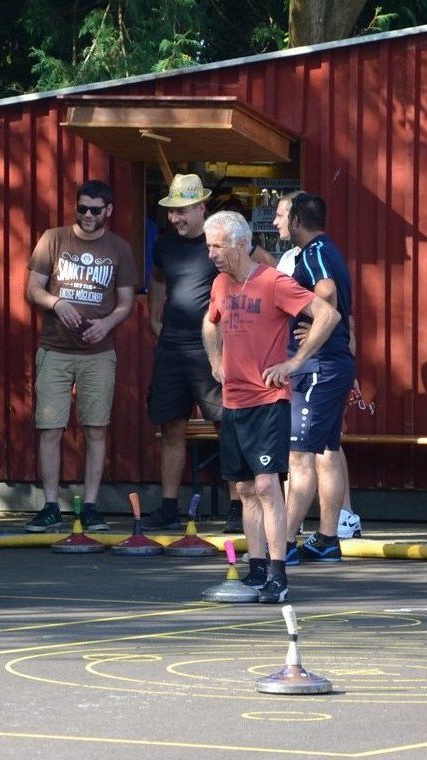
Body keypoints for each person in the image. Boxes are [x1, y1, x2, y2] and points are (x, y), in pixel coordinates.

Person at [202, 211, 340, 603]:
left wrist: (295, 363)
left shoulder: (274, 282)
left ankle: (278, 574)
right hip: (234, 402)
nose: (212, 253)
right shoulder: (220, 284)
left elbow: (327, 314)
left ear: (242, 244)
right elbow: (210, 322)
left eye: (218, 246)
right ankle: (257, 569)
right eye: (208, 246)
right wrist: (215, 360)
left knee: (266, 485)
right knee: (244, 487)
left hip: (268, 400)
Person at [24, 179, 138, 533]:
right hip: (55, 348)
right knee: (50, 428)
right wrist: (57, 303)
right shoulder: (53, 238)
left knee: (96, 428)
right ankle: (50, 505)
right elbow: (32, 289)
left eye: (95, 210)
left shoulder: (119, 248)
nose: (87, 215)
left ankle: (90, 506)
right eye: (82, 208)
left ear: (109, 211)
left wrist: (106, 324)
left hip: (98, 352)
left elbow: (126, 302)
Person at [273, 192, 363, 544]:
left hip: (317, 367)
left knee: (299, 455)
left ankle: (286, 539)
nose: (278, 221)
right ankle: (327, 539)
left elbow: (326, 294)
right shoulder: (327, 249)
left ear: (297, 221)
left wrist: (313, 335)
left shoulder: (313, 254)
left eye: (283, 216)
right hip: (331, 365)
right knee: (326, 450)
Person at [143, 174, 229, 531]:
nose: (175, 219)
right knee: (171, 426)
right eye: (171, 212)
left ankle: (239, 507)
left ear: (200, 207)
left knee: (226, 425)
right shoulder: (164, 245)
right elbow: (159, 280)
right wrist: (154, 318)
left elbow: (260, 269)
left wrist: (231, 330)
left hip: (210, 348)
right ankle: (168, 507)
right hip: (172, 346)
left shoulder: (220, 243)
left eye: (181, 212)